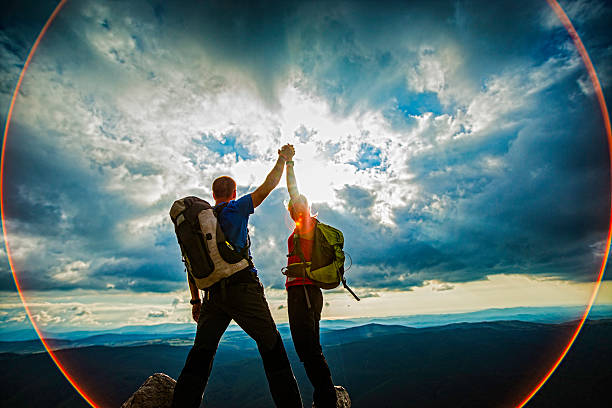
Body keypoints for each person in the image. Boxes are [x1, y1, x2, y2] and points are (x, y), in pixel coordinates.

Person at [171, 144, 303, 408]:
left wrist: (195, 302)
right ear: (233, 193)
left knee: (201, 354)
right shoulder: (236, 208)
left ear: (212, 195)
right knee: (272, 348)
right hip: (243, 289)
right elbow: (268, 187)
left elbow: (191, 265)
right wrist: (282, 159)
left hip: (212, 296)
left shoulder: (198, 225)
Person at [284, 149, 338, 408]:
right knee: (310, 348)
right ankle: (325, 396)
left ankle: (326, 398)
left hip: (303, 294)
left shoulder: (307, 226)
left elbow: (294, 191)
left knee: (308, 350)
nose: (294, 206)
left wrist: (289, 163)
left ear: (303, 207)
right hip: (308, 294)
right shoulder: (302, 229)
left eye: (298, 204)